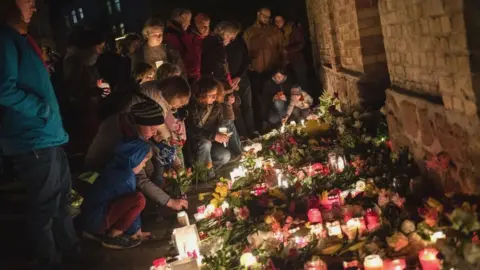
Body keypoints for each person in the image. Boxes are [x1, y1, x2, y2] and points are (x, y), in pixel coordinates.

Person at [0, 0, 79, 268]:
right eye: (28, 1)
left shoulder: (20, 38)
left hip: (47, 134)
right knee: (44, 204)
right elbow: (3, 89)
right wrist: (41, 109)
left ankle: (70, 250)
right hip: (32, 137)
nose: (34, 7)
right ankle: (50, 259)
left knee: (62, 198)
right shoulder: (5, 40)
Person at [85, 98, 188, 212]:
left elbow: (160, 148)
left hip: (122, 168)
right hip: (102, 173)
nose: (155, 134)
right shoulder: (122, 137)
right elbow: (140, 178)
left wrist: (178, 167)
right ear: (140, 124)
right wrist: (170, 202)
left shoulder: (134, 125)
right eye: (153, 129)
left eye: (157, 130)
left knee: (156, 165)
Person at [81, 138, 154, 249]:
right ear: (135, 158)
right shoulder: (125, 177)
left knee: (135, 199)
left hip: (90, 216)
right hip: (95, 220)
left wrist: (137, 229)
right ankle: (113, 237)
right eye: (144, 161)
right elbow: (130, 204)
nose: (144, 165)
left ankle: (104, 232)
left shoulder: (117, 167)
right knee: (139, 199)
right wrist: (134, 231)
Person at [63, 28, 109, 154]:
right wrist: (96, 91)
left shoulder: (85, 63)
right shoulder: (74, 63)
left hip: (90, 111)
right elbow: (74, 89)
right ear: (87, 47)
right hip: (82, 116)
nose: (99, 53)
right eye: (98, 48)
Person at [186, 77, 242, 177]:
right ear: (202, 94)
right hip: (194, 143)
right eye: (211, 95)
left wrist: (222, 132)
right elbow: (191, 130)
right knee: (205, 143)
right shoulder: (191, 107)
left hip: (209, 140)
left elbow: (224, 120)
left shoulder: (215, 105)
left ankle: (203, 171)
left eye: (215, 95)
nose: (214, 98)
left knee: (225, 156)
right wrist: (214, 136)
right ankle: (206, 176)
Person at [244, 7, 286, 131]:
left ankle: (278, 123)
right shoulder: (249, 32)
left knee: (274, 97)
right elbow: (245, 50)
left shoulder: (274, 31)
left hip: (272, 70)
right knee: (258, 99)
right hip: (256, 71)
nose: (266, 19)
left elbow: (281, 48)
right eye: (264, 16)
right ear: (258, 14)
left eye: (268, 17)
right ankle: (261, 126)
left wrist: (282, 65)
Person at [227, 29, 256, 138]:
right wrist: (230, 80)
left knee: (248, 105)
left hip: (242, 78)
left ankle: (251, 132)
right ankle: (243, 135)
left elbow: (246, 60)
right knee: (236, 107)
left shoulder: (239, 42)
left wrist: (239, 76)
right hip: (229, 81)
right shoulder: (221, 44)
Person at [274, 15, 309, 92]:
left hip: (297, 60)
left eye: (279, 20)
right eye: (276, 21)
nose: (278, 23)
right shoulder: (277, 31)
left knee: (302, 82)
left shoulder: (293, 28)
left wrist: (287, 50)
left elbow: (301, 43)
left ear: (284, 20)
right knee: (290, 83)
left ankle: (306, 101)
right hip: (285, 62)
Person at [164, 8, 194, 74]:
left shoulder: (181, 33)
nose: (189, 24)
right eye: (188, 20)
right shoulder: (171, 35)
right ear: (182, 17)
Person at [188, 13, 210, 82]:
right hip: (195, 78)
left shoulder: (208, 40)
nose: (206, 29)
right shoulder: (190, 40)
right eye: (203, 26)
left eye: (208, 26)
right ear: (195, 26)